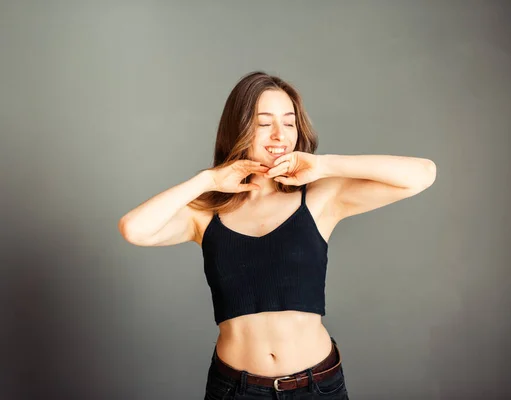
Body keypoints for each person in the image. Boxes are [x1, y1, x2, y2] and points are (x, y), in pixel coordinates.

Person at [118, 71, 437, 399]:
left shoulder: (317, 199)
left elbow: (423, 174)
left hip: (317, 386)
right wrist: (208, 181)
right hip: (235, 390)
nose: (279, 135)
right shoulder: (205, 213)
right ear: (239, 127)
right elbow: (134, 229)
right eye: (263, 122)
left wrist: (324, 165)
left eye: (289, 123)